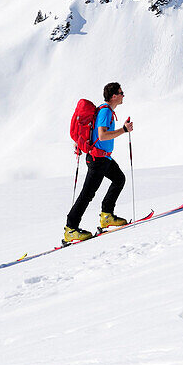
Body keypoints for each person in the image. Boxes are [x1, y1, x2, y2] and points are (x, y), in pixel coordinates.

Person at [64, 82, 134, 244]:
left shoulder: (106, 111)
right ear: (114, 96)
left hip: (104, 158)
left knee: (119, 179)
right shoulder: (105, 112)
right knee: (87, 194)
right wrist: (123, 130)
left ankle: (107, 216)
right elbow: (102, 135)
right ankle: (71, 228)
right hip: (97, 159)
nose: (123, 95)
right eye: (121, 92)